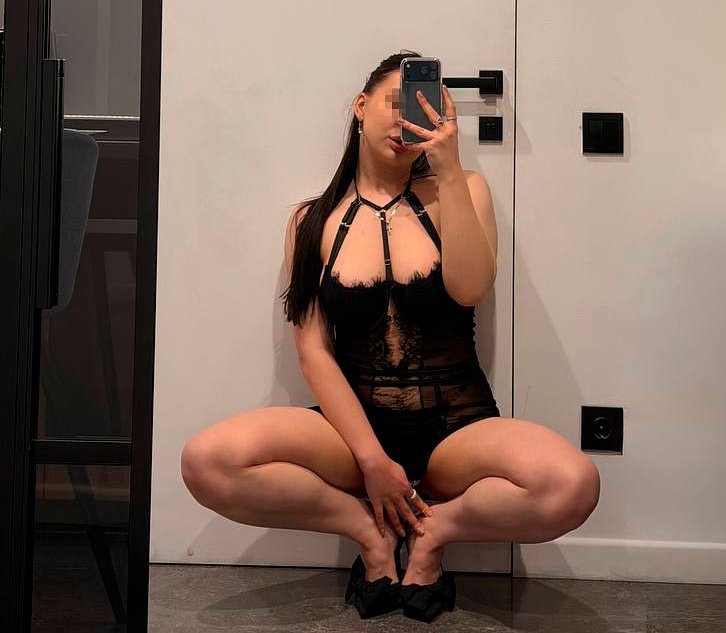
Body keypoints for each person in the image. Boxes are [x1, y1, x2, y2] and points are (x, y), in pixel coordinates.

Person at [181, 51, 601, 621]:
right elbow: (314, 352)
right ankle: (369, 532)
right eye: (395, 103)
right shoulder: (310, 221)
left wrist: (449, 169)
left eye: (422, 108)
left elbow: (471, 289)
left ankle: (432, 531)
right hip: (351, 431)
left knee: (573, 485)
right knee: (206, 462)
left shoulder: (462, 190)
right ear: (360, 107)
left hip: (455, 426)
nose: (406, 120)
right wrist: (372, 462)